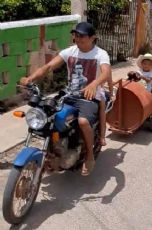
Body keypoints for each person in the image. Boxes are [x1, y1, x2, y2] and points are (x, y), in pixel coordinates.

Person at [20, 22, 111, 176]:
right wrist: (30, 79)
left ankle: (89, 157)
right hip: (69, 95)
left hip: (90, 97)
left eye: (82, 36)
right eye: (76, 35)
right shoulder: (70, 51)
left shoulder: (100, 54)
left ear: (92, 38)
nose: (77, 38)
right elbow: (48, 67)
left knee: (83, 121)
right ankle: (53, 150)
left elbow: (105, 72)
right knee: (48, 116)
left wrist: (94, 84)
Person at [99, 74, 115, 146]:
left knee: (102, 111)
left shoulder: (104, 65)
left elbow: (109, 80)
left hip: (98, 92)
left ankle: (102, 137)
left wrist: (111, 94)